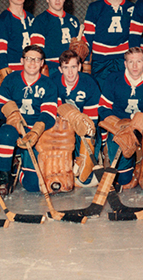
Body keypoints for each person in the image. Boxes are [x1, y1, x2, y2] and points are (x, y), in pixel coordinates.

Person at [0, 45, 58, 195]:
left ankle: (19, 166)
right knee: (5, 132)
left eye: (37, 60)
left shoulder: (48, 84)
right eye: (29, 59)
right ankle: (4, 176)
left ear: (42, 63)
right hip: (14, 127)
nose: (32, 63)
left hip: (35, 132)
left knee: (33, 185)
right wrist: (11, 114)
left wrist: (36, 131)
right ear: (22, 60)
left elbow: (49, 115)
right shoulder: (11, 79)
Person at [98, 47, 143, 186]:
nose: (134, 66)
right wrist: (120, 126)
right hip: (120, 129)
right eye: (130, 62)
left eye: (138, 61)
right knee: (123, 180)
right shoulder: (113, 78)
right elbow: (103, 108)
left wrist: (140, 127)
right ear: (125, 64)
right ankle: (128, 169)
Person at [51, 50, 102, 186]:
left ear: (80, 67)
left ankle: (92, 159)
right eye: (66, 68)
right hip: (63, 125)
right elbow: (51, 111)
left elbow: (92, 120)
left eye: (73, 67)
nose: (70, 72)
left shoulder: (89, 83)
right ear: (60, 69)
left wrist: (83, 128)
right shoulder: (53, 82)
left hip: (83, 124)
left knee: (86, 179)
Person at [83, 0, 135, 87]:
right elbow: (88, 36)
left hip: (123, 59)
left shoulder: (132, 8)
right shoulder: (95, 7)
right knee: (101, 94)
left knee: (122, 93)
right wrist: (86, 59)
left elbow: (135, 36)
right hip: (101, 59)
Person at [0, 0, 37, 84]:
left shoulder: (30, 18)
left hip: (31, 68)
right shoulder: (4, 19)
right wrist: (5, 70)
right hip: (13, 69)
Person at [32, 0, 80, 74]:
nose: (57, 0)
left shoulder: (73, 20)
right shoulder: (40, 20)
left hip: (72, 68)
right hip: (52, 68)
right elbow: (37, 51)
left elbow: (84, 45)